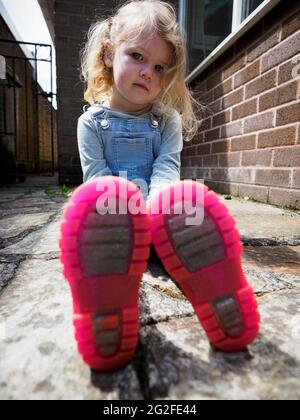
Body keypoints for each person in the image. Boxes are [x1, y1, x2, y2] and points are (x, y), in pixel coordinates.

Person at [59, 0, 260, 372]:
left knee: (182, 200)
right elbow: (97, 176)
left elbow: (166, 170)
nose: (147, 72)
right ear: (107, 53)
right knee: (99, 200)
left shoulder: (165, 121)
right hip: (115, 223)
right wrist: (124, 216)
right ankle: (109, 293)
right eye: (137, 56)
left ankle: (207, 278)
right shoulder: (90, 124)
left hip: (162, 218)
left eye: (159, 67)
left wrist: (156, 212)